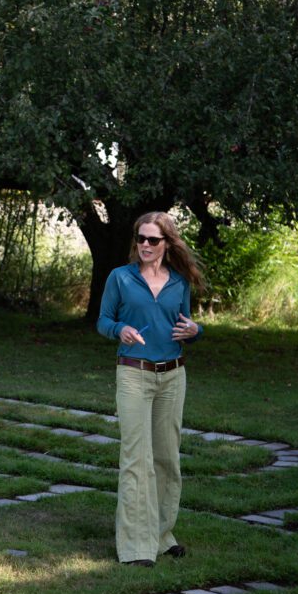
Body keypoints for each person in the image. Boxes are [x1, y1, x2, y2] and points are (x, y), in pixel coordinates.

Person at [97, 211, 204, 567]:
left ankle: (161, 535)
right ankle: (135, 547)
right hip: (133, 374)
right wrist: (120, 331)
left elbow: (186, 323)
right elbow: (104, 320)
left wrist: (195, 331)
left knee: (166, 459)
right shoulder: (120, 278)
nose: (144, 245)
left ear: (166, 244)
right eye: (140, 238)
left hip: (173, 376)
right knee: (135, 459)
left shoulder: (179, 281)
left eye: (152, 240)